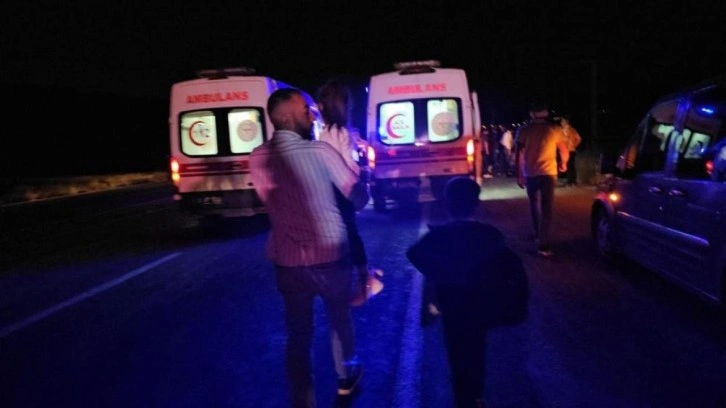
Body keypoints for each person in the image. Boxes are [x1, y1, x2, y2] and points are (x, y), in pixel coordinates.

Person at [249, 88, 368, 407]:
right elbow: (358, 198)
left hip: (287, 261)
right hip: (330, 255)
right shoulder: (320, 152)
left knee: (298, 334)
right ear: (286, 117)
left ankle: (303, 400)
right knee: (339, 318)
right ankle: (346, 375)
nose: (311, 115)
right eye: (304, 110)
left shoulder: (257, 158)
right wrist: (357, 172)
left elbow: (270, 200)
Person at [406, 177, 522, 408]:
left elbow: (414, 254)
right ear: (475, 204)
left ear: (447, 203)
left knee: (456, 353)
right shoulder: (488, 234)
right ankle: (476, 396)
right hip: (480, 303)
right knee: (477, 350)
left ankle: (463, 399)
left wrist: (440, 273)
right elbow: (510, 264)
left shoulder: (440, 235)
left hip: (451, 304)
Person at [315, 79, 383, 307]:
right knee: (349, 235)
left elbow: (336, 163)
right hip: (343, 189)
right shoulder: (341, 131)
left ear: (324, 106)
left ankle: (364, 283)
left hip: (337, 190)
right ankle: (364, 278)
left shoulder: (330, 133)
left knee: (344, 238)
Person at [515, 103, 569, 257]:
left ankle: (537, 234)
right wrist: (564, 163)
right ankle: (543, 245)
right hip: (548, 173)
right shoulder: (554, 129)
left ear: (532, 114)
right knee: (547, 208)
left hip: (530, 173)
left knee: (533, 204)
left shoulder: (523, 130)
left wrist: (519, 175)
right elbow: (564, 150)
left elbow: (518, 154)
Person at [559, 117, 582, 186]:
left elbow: (578, 139)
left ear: (566, 122)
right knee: (571, 165)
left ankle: (570, 181)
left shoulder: (563, 130)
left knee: (568, 165)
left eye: (563, 121)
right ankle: (572, 181)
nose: (561, 123)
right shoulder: (572, 129)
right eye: (561, 121)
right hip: (571, 150)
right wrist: (574, 145)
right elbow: (579, 139)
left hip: (566, 150)